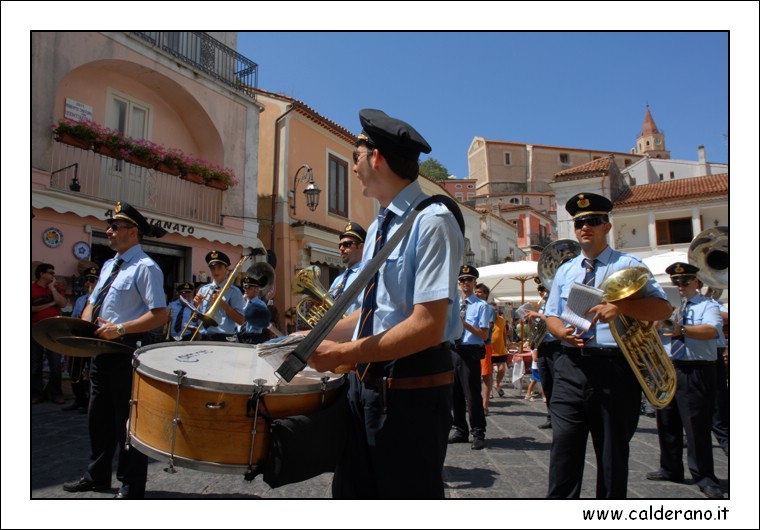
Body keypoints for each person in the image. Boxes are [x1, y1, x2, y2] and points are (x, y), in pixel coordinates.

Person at [306, 108, 464, 498]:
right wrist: (311, 338)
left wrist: (344, 351)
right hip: (367, 387)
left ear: (375, 157)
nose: (354, 166)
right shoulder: (379, 225)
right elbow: (374, 313)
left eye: (356, 156)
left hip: (411, 388)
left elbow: (426, 325)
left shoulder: (433, 221)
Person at [543, 192, 672, 499]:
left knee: (612, 455)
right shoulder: (565, 269)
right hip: (570, 365)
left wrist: (622, 307)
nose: (585, 227)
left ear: (607, 227)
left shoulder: (628, 264)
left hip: (614, 369)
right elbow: (551, 314)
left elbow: (663, 309)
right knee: (563, 451)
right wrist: (561, 333)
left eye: (594, 221)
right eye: (580, 223)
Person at [63, 201, 167, 499]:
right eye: (109, 226)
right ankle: (96, 475)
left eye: (115, 227)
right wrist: (85, 324)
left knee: (128, 423)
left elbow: (159, 314)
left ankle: (131, 484)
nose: (108, 231)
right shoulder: (110, 264)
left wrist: (120, 329)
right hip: (100, 351)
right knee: (99, 419)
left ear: (132, 232)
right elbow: (93, 302)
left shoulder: (146, 267)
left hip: (125, 352)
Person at [647, 262, 724, 499]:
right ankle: (670, 468)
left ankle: (704, 476)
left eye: (685, 282)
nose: (680, 286)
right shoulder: (670, 308)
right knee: (666, 420)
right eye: (676, 282)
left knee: (696, 425)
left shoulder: (707, 305)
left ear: (697, 283)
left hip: (696, 369)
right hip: (670, 368)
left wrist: (683, 331)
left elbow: (712, 330)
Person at [449, 265, 490, 449]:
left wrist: (463, 324)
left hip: (470, 351)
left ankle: (478, 431)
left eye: (469, 280)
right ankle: (460, 429)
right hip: (453, 350)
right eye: (462, 280)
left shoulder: (482, 306)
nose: (465, 283)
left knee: (472, 394)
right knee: (454, 393)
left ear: (475, 283)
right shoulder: (454, 304)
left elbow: (483, 335)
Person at [63, 266, 99, 413]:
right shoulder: (80, 300)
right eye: (86, 280)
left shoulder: (100, 300)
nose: (88, 284)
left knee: (92, 372)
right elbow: (73, 317)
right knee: (75, 371)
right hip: (80, 339)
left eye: (92, 280)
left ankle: (91, 402)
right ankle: (79, 400)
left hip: (93, 340)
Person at [31, 262, 68, 405]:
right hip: (35, 329)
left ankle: (56, 393)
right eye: (51, 273)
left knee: (55, 363)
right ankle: (36, 394)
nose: (53, 275)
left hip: (54, 331)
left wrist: (52, 288)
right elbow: (32, 309)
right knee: (35, 364)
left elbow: (63, 303)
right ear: (42, 274)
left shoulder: (56, 288)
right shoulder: (31, 288)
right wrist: (51, 304)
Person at [524, 283, 558, 429]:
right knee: (546, 383)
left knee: (558, 383)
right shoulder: (543, 306)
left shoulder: (557, 303)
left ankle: (559, 417)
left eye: (544, 289)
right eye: (541, 290)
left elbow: (559, 319)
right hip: (543, 345)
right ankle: (550, 416)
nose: (542, 292)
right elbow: (538, 328)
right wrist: (532, 321)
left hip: (556, 345)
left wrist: (538, 315)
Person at [194, 251, 245, 341]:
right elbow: (194, 319)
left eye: (219, 267)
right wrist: (195, 306)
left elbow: (241, 320)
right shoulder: (203, 289)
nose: (215, 271)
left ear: (226, 268)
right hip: (203, 337)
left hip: (223, 338)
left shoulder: (234, 292)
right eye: (212, 268)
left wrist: (222, 303)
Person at [329, 221, 366, 315]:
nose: (341, 248)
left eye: (346, 244)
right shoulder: (338, 280)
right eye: (340, 245)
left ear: (360, 246)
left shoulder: (366, 273)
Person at [475, 283, 495, 415]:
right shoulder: (470, 306)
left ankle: (485, 405)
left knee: (486, 375)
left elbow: (489, 326)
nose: (477, 294)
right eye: (476, 291)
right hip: (471, 345)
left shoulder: (489, 308)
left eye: (480, 292)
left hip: (484, 344)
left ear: (486, 294)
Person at [237, 275, 271, 344]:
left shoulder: (260, 305)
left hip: (254, 337)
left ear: (257, 289)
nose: (245, 290)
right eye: (244, 287)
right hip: (240, 336)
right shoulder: (243, 302)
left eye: (249, 288)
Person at [491, 306, 509, 398]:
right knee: (488, 372)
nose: (494, 312)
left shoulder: (501, 320)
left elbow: (504, 333)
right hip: (489, 350)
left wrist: (505, 346)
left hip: (500, 350)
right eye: (492, 310)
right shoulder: (486, 320)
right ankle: (489, 390)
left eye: (496, 310)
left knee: (502, 370)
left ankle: (497, 384)